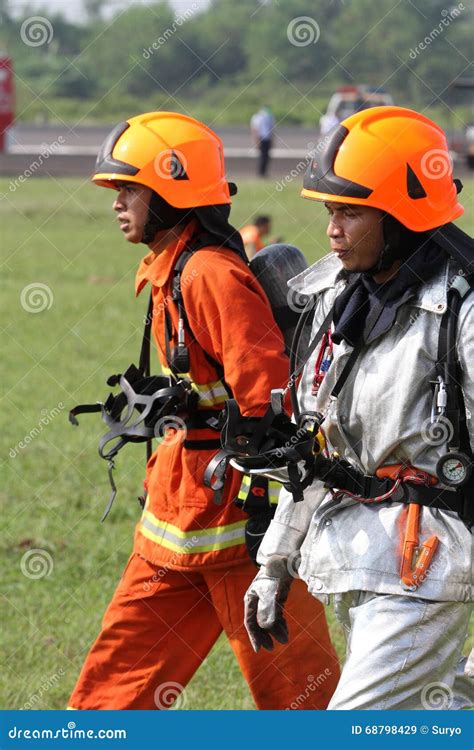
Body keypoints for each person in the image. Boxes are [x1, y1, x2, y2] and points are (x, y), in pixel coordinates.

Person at [67, 111, 339, 710]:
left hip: (244, 527)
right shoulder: (172, 269)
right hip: (176, 519)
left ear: (172, 190)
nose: (116, 202)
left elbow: (266, 391)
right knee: (111, 698)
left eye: (128, 188)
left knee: (301, 704)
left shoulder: (210, 274)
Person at [242, 106, 474, 709]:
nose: (331, 230)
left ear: (401, 217)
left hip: (426, 571)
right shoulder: (338, 302)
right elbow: (316, 448)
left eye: (349, 212)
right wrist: (274, 563)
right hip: (354, 559)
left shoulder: (463, 313)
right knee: (431, 718)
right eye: (328, 212)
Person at [250, 106, 275, 177]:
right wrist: (257, 141)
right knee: (263, 156)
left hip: (267, 139)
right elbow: (255, 130)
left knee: (266, 156)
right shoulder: (258, 117)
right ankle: (261, 172)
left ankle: (264, 172)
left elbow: (271, 130)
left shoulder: (269, 117)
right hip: (261, 138)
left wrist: (272, 140)